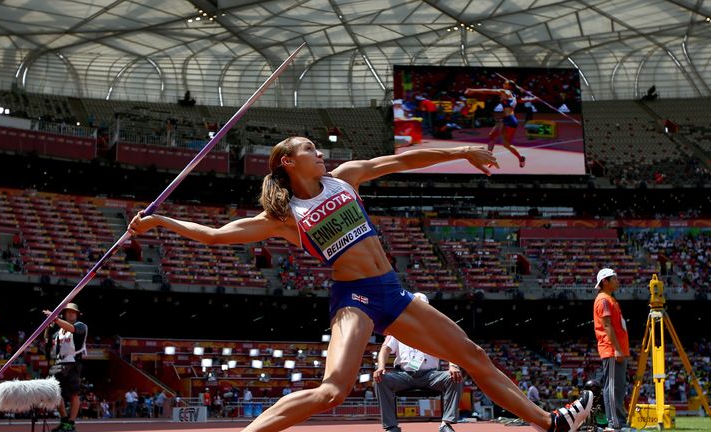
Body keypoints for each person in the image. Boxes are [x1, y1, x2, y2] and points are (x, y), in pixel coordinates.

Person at [128, 136, 591, 432]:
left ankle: (550, 423)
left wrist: (461, 152)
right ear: (288, 161)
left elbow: (399, 160)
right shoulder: (284, 217)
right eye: (310, 147)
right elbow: (216, 234)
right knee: (333, 391)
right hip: (354, 299)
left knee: (472, 355)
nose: (320, 152)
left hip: (392, 292)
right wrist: (160, 221)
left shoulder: (343, 179)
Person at [373, 293, 463, 432]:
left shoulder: (436, 330)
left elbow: (450, 348)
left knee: (454, 377)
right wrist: (381, 367)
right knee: (380, 379)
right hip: (404, 375)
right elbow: (385, 350)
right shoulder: (397, 328)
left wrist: (453, 365)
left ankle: (446, 424)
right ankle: (391, 427)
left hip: (430, 376)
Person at [593, 268, 630, 432]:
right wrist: (617, 349)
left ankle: (619, 422)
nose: (618, 281)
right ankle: (615, 423)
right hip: (612, 350)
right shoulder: (603, 300)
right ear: (605, 282)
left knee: (619, 386)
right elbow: (607, 325)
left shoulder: (609, 299)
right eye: (614, 278)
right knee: (613, 386)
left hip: (617, 349)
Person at [465, 81, 535, 168]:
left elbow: (488, 91)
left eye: (505, 84)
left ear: (509, 86)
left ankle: (520, 158)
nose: (503, 85)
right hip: (507, 120)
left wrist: (473, 90)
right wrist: (533, 99)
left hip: (508, 121)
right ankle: (490, 159)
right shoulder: (513, 95)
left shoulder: (506, 91)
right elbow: (521, 101)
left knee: (506, 144)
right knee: (492, 136)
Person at [43, 303, 88, 432]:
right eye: (68, 312)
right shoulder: (58, 332)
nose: (70, 314)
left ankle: (71, 423)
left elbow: (72, 329)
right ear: (64, 314)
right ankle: (64, 420)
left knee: (74, 394)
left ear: (77, 314)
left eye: (73, 312)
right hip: (59, 363)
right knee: (56, 393)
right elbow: (47, 341)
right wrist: (48, 326)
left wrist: (55, 319)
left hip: (73, 363)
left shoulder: (81, 326)